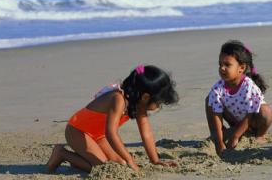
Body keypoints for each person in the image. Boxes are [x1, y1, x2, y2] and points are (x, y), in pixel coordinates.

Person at [46, 64, 179, 173]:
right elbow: (112, 134)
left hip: (98, 136)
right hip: (78, 132)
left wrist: (155, 160)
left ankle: (81, 160)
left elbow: (146, 133)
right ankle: (62, 153)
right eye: (159, 102)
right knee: (102, 168)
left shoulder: (139, 105)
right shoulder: (118, 99)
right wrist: (131, 161)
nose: (158, 105)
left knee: (120, 164)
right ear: (145, 97)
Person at [205, 40, 272, 155]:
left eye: (227, 65)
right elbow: (216, 114)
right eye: (220, 64)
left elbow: (250, 115)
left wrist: (235, 136)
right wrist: (219, 143)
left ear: (241, 68)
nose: (222, 68)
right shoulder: (217, 88)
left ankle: (260, 135)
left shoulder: (249, 86)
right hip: (234, 120)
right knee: (209, 100)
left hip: (253, 121)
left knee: (266, 111)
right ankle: (217, 134)